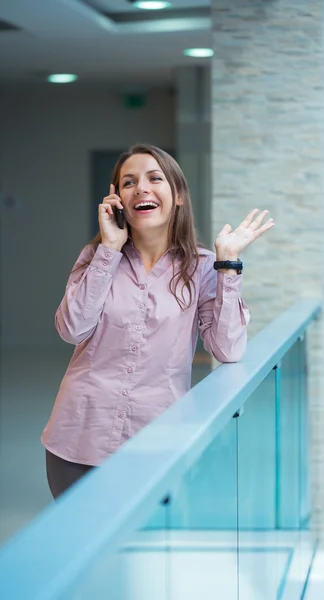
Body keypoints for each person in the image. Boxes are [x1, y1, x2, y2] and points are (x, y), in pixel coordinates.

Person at [41, 143, 274, 499]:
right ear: (117, 199)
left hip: (156, 440)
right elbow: (72, 329)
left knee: (140, 552)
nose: (142, 189)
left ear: (177, 194)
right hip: (78, 438)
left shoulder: (202, 267)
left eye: (154, 178)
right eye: (129, 182)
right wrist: (108, 248)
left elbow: (228, 349)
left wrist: (227, 263)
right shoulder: (96, 257)